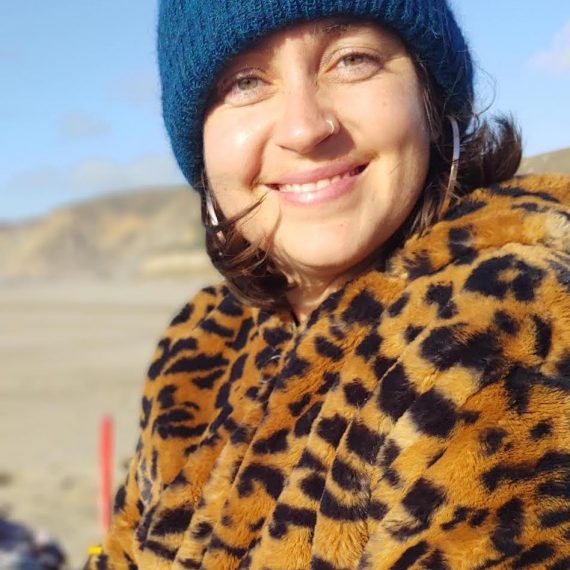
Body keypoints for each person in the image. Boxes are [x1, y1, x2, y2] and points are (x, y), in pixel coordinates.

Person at [87, 0, 570, 568]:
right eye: (245, 82)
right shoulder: (204, 342)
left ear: (430, 97)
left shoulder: (501, 327)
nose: (305, 128)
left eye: (351, 60)